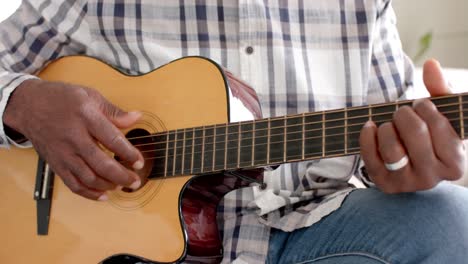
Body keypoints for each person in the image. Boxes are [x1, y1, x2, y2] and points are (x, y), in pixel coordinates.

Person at [1, 1, 467, 263]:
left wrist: (406, 163)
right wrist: (24, 103)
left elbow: (395, 139)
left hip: (310, 237)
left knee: (450, 215)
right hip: (123, 250)